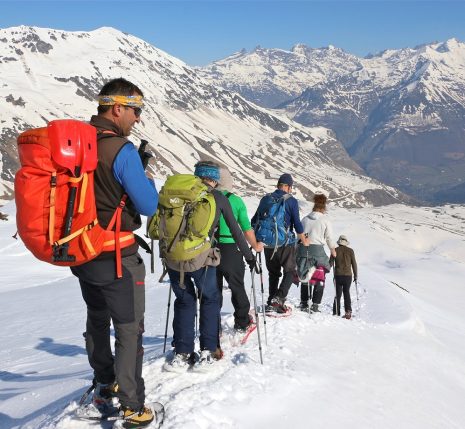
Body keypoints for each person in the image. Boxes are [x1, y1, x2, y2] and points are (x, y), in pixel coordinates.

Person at [70, 78, 159, 427]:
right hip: (117, 257)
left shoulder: (78, 143)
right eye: (135, 111)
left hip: (82, 254)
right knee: (128, 328)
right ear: (117, 107)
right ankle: (133, 406)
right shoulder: (121, 150)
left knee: (96, 319)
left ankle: (104, 386)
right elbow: (148, 205)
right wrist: (144, 175)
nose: (136, 118)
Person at [165, 161, 255, 370]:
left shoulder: (180, 191)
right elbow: (235, 230)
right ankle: (209, 350)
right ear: (214, 179)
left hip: (173, 258)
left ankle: (182, 353)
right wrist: (249, 256)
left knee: (184, 301)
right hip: (201, 259)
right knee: (209, 299)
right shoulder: (218, 197)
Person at [252, 173, 309, 313]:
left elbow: (255, 220)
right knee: (290, 270)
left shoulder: (266, 199)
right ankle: (279, 298)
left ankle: (271, 301)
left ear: (278, 185)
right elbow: (296, 224)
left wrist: (257, 241)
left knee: (273, 272)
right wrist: (304, 240)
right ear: (289, 187)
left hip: (267, 243)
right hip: (285, 243)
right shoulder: (291, 201)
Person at [216, 166, 264, 332]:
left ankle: (213, 325)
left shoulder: (206, 198)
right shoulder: (235, 201)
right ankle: (242, 321)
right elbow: (246, 229)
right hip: (231, 248)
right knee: (237, 286)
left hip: (209, 248)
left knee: (213, 290)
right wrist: (256, 246)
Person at [298, 194, 336, 313]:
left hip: (303, 249)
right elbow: (329, 238)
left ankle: (304, 303)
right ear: (324, 206)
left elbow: (299, 235)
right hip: (318, 251)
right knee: (320, 276)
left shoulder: (305, 219)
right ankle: (315, 305)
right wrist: (333, 251)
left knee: (305, 275)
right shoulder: (325, 220)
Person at [332, 235, 358, 319]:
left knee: (338, 294)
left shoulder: (335, 250)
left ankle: (336, 312)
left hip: (338, 275)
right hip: (348, 276)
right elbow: (354, 264)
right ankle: (348, 312)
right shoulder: (350, 251)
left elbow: (330, 262)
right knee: (346, 292)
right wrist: (356, 275)